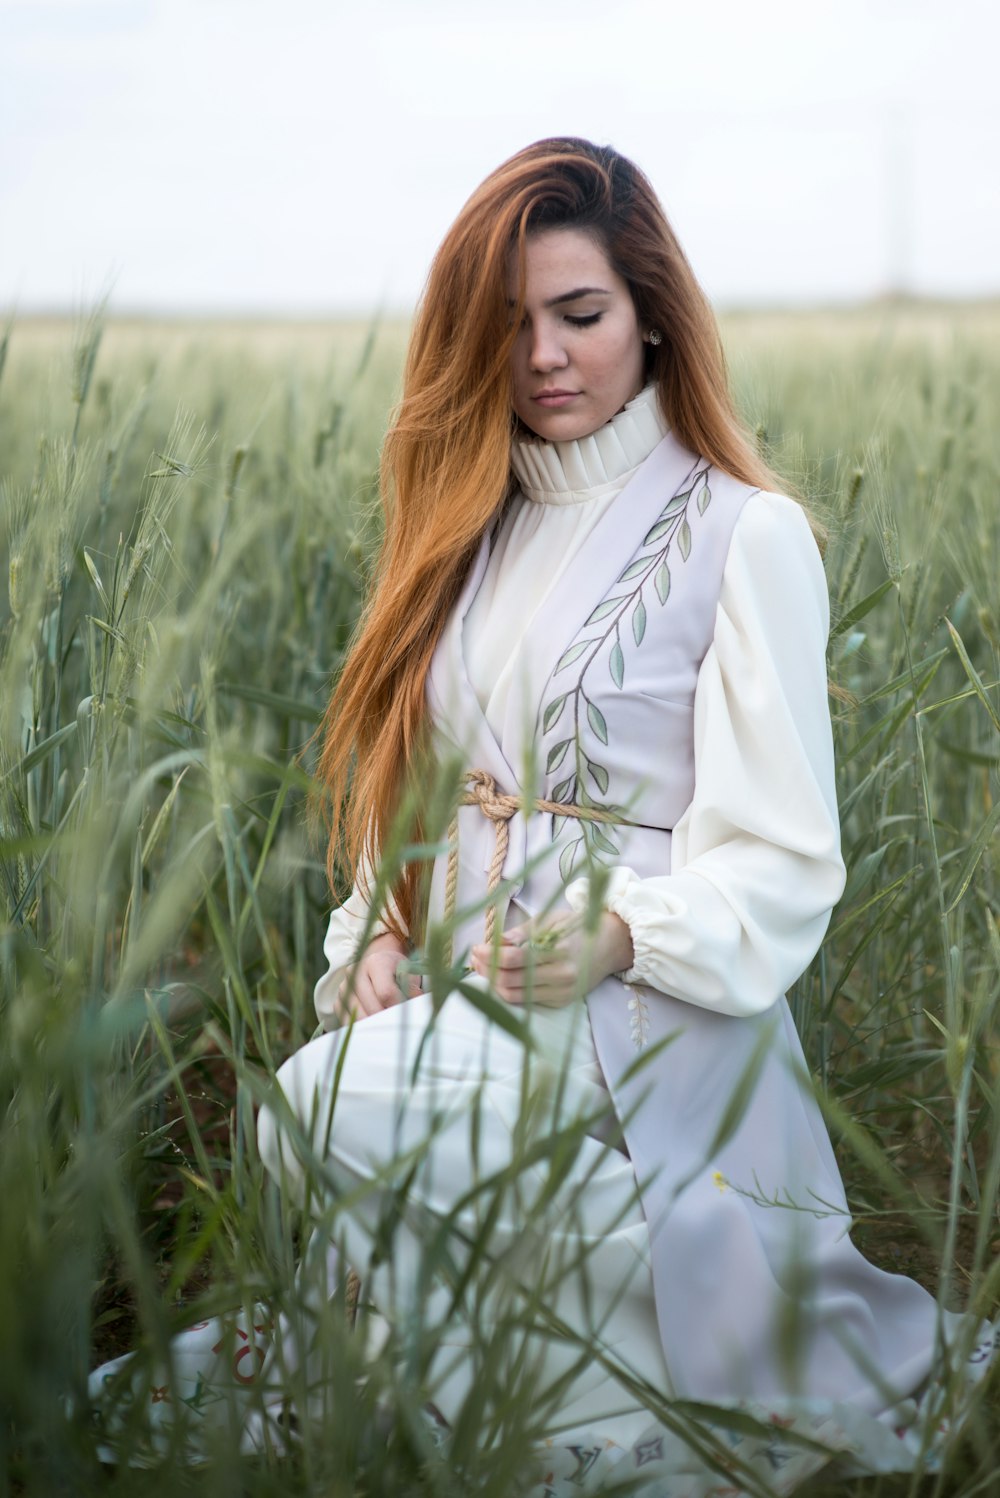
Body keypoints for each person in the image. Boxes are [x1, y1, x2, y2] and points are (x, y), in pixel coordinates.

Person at [255, 139, 992, 1493]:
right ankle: (575, 1361)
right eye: (510, 323)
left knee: (313, 1108)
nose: (544, 355)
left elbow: (782, 853)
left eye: (579, 314)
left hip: (648, 1004)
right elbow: (424, 782)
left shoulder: (740, 531)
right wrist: (378, 925)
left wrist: (614, 937)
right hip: (468, 978)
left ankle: (694, 1306)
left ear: (649, 308)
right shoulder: (465, 526)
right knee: (333, 1104)